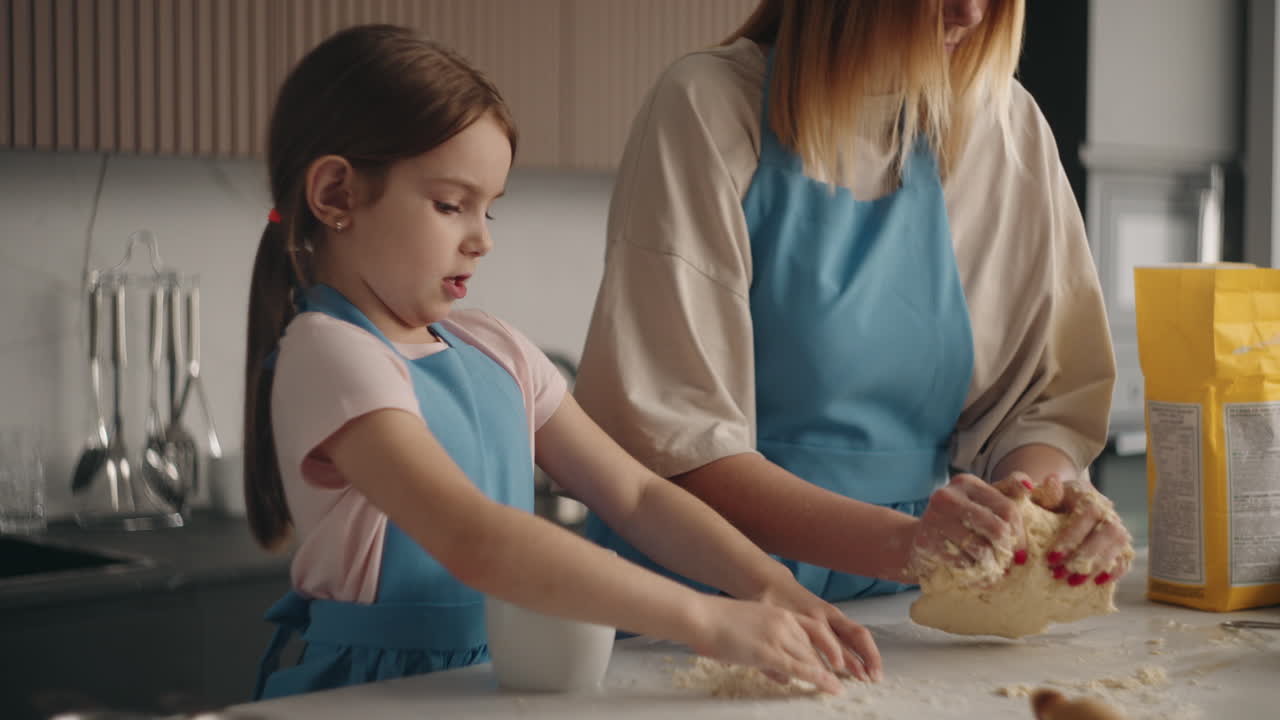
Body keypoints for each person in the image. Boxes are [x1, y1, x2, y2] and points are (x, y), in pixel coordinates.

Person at [242, 24, 881, 701]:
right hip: (370, 700)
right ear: (336, 195)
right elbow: (476, 540)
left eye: (490, 211)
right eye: (451, 205)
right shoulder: (329, 352)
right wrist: (705, 619)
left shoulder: (496, 348)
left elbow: (638, 496)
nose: (481, 240)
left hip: (487, 685)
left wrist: (769, 585)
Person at [576, 0, 1133, 603]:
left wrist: (1043, 504)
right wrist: (904, 543)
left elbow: (1034, 403)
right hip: (706, 597)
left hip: (902, 600)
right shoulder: (706, 105)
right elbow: (676, 442)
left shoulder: (1003, 125)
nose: (971, 13)